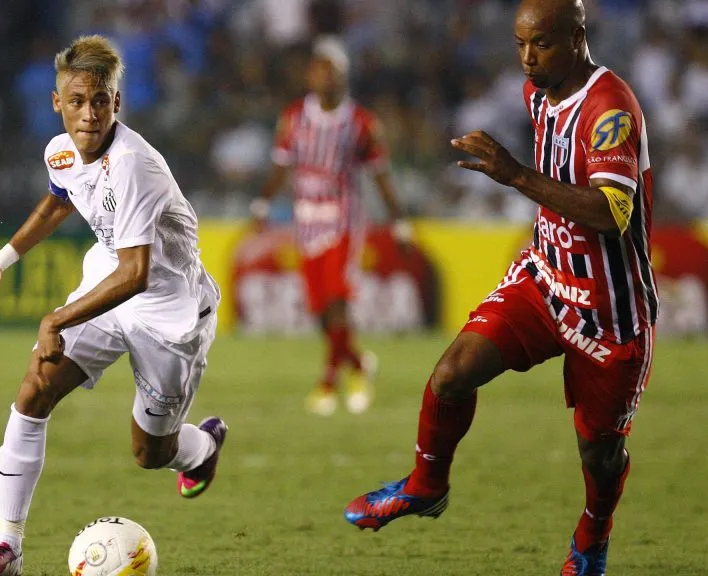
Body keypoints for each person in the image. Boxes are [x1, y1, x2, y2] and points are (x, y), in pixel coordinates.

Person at [343, 1, 658, 574]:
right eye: (519, 44)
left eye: (540, 44)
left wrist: (515, 176)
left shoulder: (611, 107)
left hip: (608, 309)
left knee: (601, 450)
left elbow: (613, 211)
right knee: (451, 374)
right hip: (545, 279)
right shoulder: (538, 92)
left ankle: (592, 536)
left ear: (578, 37)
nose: (527, 58)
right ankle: (425, 484)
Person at [0, 35, 225, 576]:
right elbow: (60, 200)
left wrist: (55, 316)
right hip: (108, 284)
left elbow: (137, 273)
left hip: (168, 317)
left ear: (116, 103)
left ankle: (201, 449)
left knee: (150, 452)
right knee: (34, 388)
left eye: (100, 101)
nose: (88, 114)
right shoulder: (60, 148)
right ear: (58, 102)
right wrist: (0, 262)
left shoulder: (134, 166)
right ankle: (7, 547)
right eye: (77, 101)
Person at [253, 36, 410, 416]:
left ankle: (328, 383)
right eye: (318, 69)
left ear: (344, 76)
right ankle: (357, 363)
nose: (324, 77)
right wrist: (262, 202)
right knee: (320, 309)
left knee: (338, 301)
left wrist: (399, 220)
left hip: (343, 218)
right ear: (310, 75)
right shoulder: (292, 117)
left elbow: (380, 176)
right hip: (305, 219)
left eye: (331, 70)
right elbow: (281, 166)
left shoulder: (361, 123)